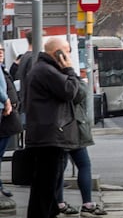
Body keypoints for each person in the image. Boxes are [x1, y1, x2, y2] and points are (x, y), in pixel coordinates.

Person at [25, 37, 80, 218]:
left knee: (46, 184)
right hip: (50, 136)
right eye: (67, 51)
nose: (69, 54)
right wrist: (70, 70)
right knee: (47, 185)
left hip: (46, 134)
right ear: (58, 53)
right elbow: (71, 91)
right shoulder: (47, 71)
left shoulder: (43, 69)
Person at [57, 79, 107, 216]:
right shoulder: (67, 78)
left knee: (59, 167)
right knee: (84, 164)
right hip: (74, 127)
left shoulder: (47, 76)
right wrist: (73, 74)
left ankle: (59, 202)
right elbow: (81, 93)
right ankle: (87, 203)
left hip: (57, 128)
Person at [0, 44, 23, 198]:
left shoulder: (3, 68)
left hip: (7, 115)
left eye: (1, 50)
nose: (0, 53)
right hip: (4, 113)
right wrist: (7, 101)